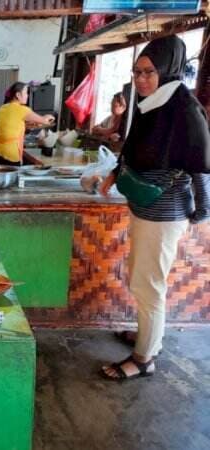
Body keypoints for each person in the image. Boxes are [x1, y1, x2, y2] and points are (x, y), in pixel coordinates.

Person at [98, 35, 210, 381]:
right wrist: (114, 175)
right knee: (142, 279)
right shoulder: (152, 106)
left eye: (149, 72)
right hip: (144, 207)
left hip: (164, 213)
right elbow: (133, 150)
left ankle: (145, 357)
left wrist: (203, 209)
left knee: (149, 284)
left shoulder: (184, 110)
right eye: (137, 72)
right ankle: (148, 334)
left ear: (168, 69)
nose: (142, 79)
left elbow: (201, 165)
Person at [0, 82, 55, 165]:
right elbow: (45, 120)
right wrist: (50, 116)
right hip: (10, 154)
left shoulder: (2, 108)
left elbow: (9, 126)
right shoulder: (22, 110)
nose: (27, 95)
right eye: (25, 92)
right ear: (18, 95)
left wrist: (28, 125)